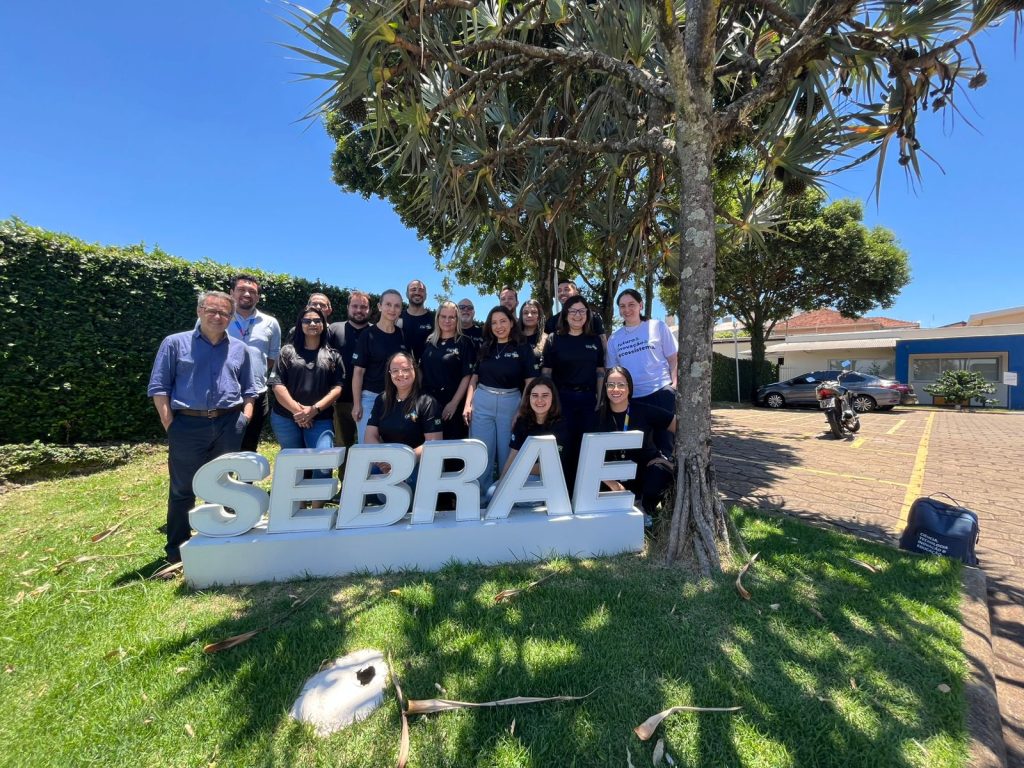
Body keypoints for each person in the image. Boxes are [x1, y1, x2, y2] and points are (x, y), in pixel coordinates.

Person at [148, 290, 257, 563]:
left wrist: (244, 418)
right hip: (187, 424)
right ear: (199, 311)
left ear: (231, 317)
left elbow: (250, 390)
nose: (218, 316)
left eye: (224, 313)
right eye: (212, 310)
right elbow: (159, 387)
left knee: (222, 485)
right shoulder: (174, 343)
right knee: (182, 489)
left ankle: (216, 542)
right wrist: (170, 424)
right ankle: (177, 551)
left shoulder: (239, 349)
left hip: (229, 422)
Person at [270, 306, 344, 506]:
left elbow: (338, 387)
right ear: (300, 325)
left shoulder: (333, 355)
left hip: (320, 418)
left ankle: (316, 510)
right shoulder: (287, 352)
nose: (312, 324)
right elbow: (276, 384)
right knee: (295, 464)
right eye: (307, 321)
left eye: (317, 320)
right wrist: (298, 411)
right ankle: (298, 507)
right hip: (286, 418)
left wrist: (313, 410)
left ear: (324, 324)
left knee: (323, 461)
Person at [463, 306, 539, 489]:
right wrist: (467, 404)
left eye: (503, 321)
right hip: (482, 402)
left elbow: (530, 382)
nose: (499, 326)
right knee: (482, 453)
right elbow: (474, 379)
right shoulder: (485, 347)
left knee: (508, 454)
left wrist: (521, 410)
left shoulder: (523, 348)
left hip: (511, 403)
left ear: (512, 322)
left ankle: (506, 496)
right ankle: (480, 498)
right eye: (494, 322)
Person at [591, 366, 676, 524]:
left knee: (659, 473)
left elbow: (682, 427)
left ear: (629, 387)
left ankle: (643, 509)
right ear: (605, 388)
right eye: (611, 385)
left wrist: (670, 461)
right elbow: (589, 459)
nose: (616, 389)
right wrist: (613, 484)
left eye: (621, 385)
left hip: (644, 475)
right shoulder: (597, 418)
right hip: (613, 481)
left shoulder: (644, 411)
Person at [541, 294, 605, 488]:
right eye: (573, 311)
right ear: (566, 314)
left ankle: (584, 494)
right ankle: (563, 495)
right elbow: (546, 373)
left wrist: (600, 398)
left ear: (588, 315)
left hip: (588, 401)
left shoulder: (594, 341)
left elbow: (600, 372)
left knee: (586, 450)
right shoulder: (554, 340)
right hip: (562, 401)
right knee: (563, 450)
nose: (578, 315)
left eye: (582, 311)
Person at [606, 288, 678, 454]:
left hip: (660, 392)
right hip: (633, 399)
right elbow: (612, 370)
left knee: (665, 443)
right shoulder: (615, 339)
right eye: (622, 306)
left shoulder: (657, 326)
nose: (627, 309)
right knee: (641, 447)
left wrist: (673, 385)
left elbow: (673, 358)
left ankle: (667, 476)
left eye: (631, 304)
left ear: (640, 305)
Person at [365, 352, 443, 492]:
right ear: (389, 374)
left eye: (406, 369)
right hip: (386, 463)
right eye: (395, 371)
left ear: (414, 370)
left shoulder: (427, 401)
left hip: (417, 463)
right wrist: (384, 460)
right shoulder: (382, 400)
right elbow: (370, 436)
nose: (400, 374)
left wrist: (401, 462)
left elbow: (433, 442)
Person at [227, 274, 281, 452]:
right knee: (222, 447)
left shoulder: (270, 323)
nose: (247, 294)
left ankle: (245, 481)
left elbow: (272, 358)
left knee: (249, 446)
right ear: (231, 292)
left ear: (257, 297)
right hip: (224, 394)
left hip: (257, 393)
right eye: (241, 289)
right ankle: (221, 480)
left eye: (252, 291)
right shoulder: (218, 319)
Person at [350, 289, 408, 443]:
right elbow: (358, 373)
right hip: (370, 398)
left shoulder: (402, 335)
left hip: (396, 399)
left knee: (392, 447)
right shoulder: (368, 335)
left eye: (397, 306)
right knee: (367, 448)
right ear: (380, 306)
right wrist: (357, 404)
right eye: (388, 304)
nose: (392, 309)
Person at [419, 301, 476, 440]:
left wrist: (454, 404)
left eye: (452, 317)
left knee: (452, 451)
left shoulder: (465, 342)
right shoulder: (429, 341)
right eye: (443, 316)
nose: (447, 320)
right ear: (437, 318)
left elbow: (467, 376)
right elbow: (420, 371)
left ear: (457, 319)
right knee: (429, 449)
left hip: (452, 404)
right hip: (428, 403)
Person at [500, 376, 570, 487]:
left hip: (551, 482)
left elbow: (552, 466)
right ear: (528, 398)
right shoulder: (522, 421)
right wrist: (501, 484)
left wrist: (519, 466)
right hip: (522, 474)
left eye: (545, 395)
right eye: (535, 395)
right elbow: (512, 456)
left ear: (553, 398)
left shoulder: (561, 425)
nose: (539, 400)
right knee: (492, 493)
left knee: (528, 501)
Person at [326, 291, 371, 448]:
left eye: (364, 307)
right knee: (342, 445)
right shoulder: (334, 330)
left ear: (370, 310)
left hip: (370, 400)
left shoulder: (375, 332)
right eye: (355, 306)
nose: (359, 310)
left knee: (370, 445)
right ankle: (344, 474)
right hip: (341, 401)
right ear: (348, 307)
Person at [399, 279, 435, 360]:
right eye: (413, 289)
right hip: (402, 369)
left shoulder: (435, 320)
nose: (417, 293)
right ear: (407, 294)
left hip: (427, 370)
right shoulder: (397, 318)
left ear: (425, 295)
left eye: (421, 290)